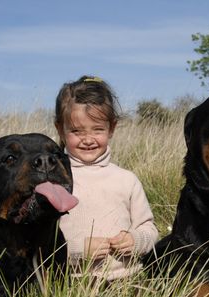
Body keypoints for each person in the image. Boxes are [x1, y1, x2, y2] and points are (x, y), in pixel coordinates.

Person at [54, 75, 159, 281]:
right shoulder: (55, 182)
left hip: (127, 283)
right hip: (71, 282)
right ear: (60, 129)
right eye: (76, 131)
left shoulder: (126, 180)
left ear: (112, 128)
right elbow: (42, 241)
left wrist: (135, 241)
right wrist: (77, 249)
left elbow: (149, 230)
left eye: (98, 129)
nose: (88, 139)